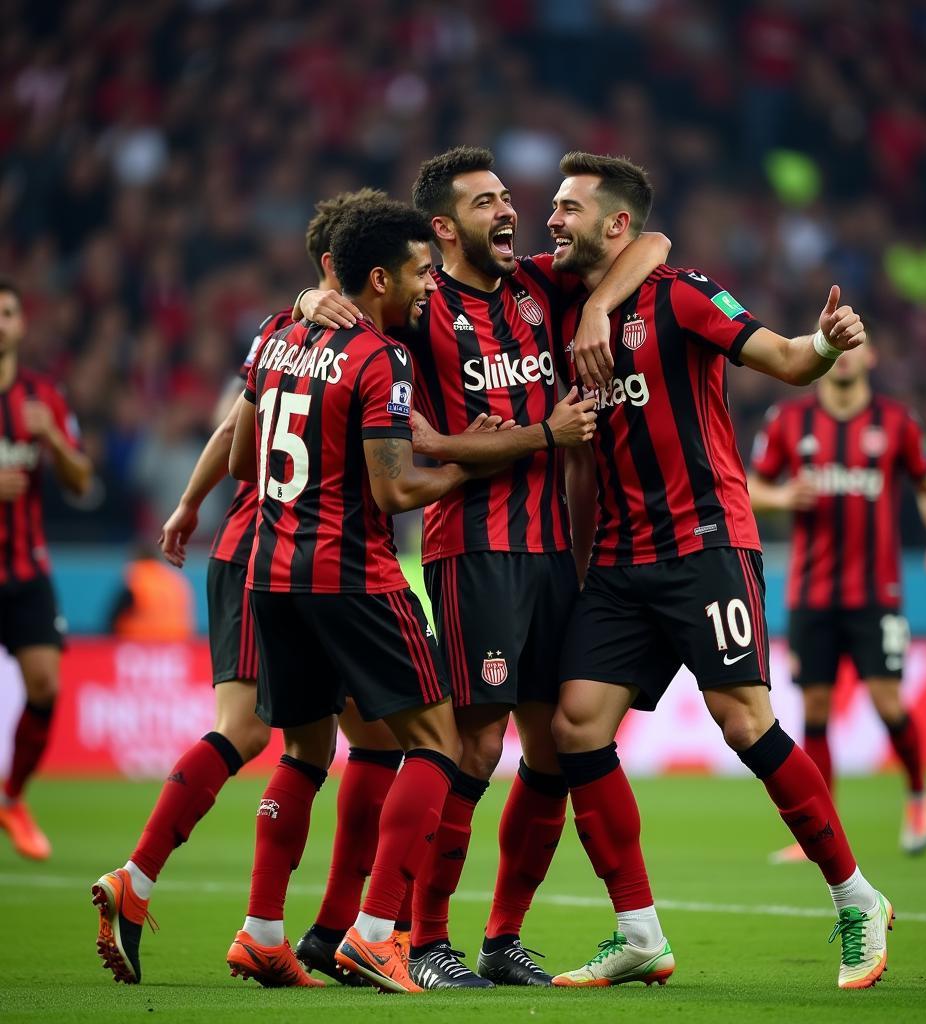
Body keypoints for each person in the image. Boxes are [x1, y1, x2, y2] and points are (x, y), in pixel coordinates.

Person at [296, 145, 669, 989]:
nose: (509, 211)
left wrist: (600, 307)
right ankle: (425, 940)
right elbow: (347, 306)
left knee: (549, 747)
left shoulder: (540, 288)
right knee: (477, 742)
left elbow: (655, 245)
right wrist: (311, 297)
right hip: (473, 549)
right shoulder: (422, 307)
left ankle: (503, 938)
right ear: (442, 227)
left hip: (552, 554)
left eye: (508, 197)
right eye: (486, 202)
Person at [543, 153, 892, 991]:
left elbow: (780, 354)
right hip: (624, 559)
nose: (551, 220)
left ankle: (856, 899)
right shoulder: (561, 307)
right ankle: (638, 932)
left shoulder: (684, 293)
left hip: (705, 543)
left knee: (744, 722)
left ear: (615, 224)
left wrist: (823, 344)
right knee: (577, 725)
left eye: (568, 208)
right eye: (550, 206)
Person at [90, 192, 404, 988]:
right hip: (293, 553)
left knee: (336, 741)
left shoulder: (282, 333)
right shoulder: (356, 342)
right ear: (346, 270)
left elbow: (237, 432)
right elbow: (240, 437)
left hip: (253, 542)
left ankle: (282, 927)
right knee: (270, 735)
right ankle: (165, 883)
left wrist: (191, 503)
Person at [226, 193, 494, 995]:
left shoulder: (277, 334)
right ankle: (377, 934)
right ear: (378, 277)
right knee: (438, 741)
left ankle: (262, 933)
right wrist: (469, 462)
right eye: (420, 272)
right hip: (352, 576)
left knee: (306, 751)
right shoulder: (384, 358)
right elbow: (393, 491)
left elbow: (244, 460)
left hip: (271, 575)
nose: (431, 286)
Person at [748, 338, 926, 860]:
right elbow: (747, 485)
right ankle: (822, 831)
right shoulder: (788, 421)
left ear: (872, 356)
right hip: (812, 593)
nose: (845, 354)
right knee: (815, 709)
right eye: (836, 345)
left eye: (856, 346)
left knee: (887, 702)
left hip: (876, 593)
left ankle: (917, 793)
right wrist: (781, 497)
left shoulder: (897, 421)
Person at [0, 277, 92, 860]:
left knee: (46, 684)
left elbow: (82, 482)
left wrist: (53, 440)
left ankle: (12, 798)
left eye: (6, 312)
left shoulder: (42, 396)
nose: (0, 321)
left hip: (25, 568)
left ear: (19, 324)